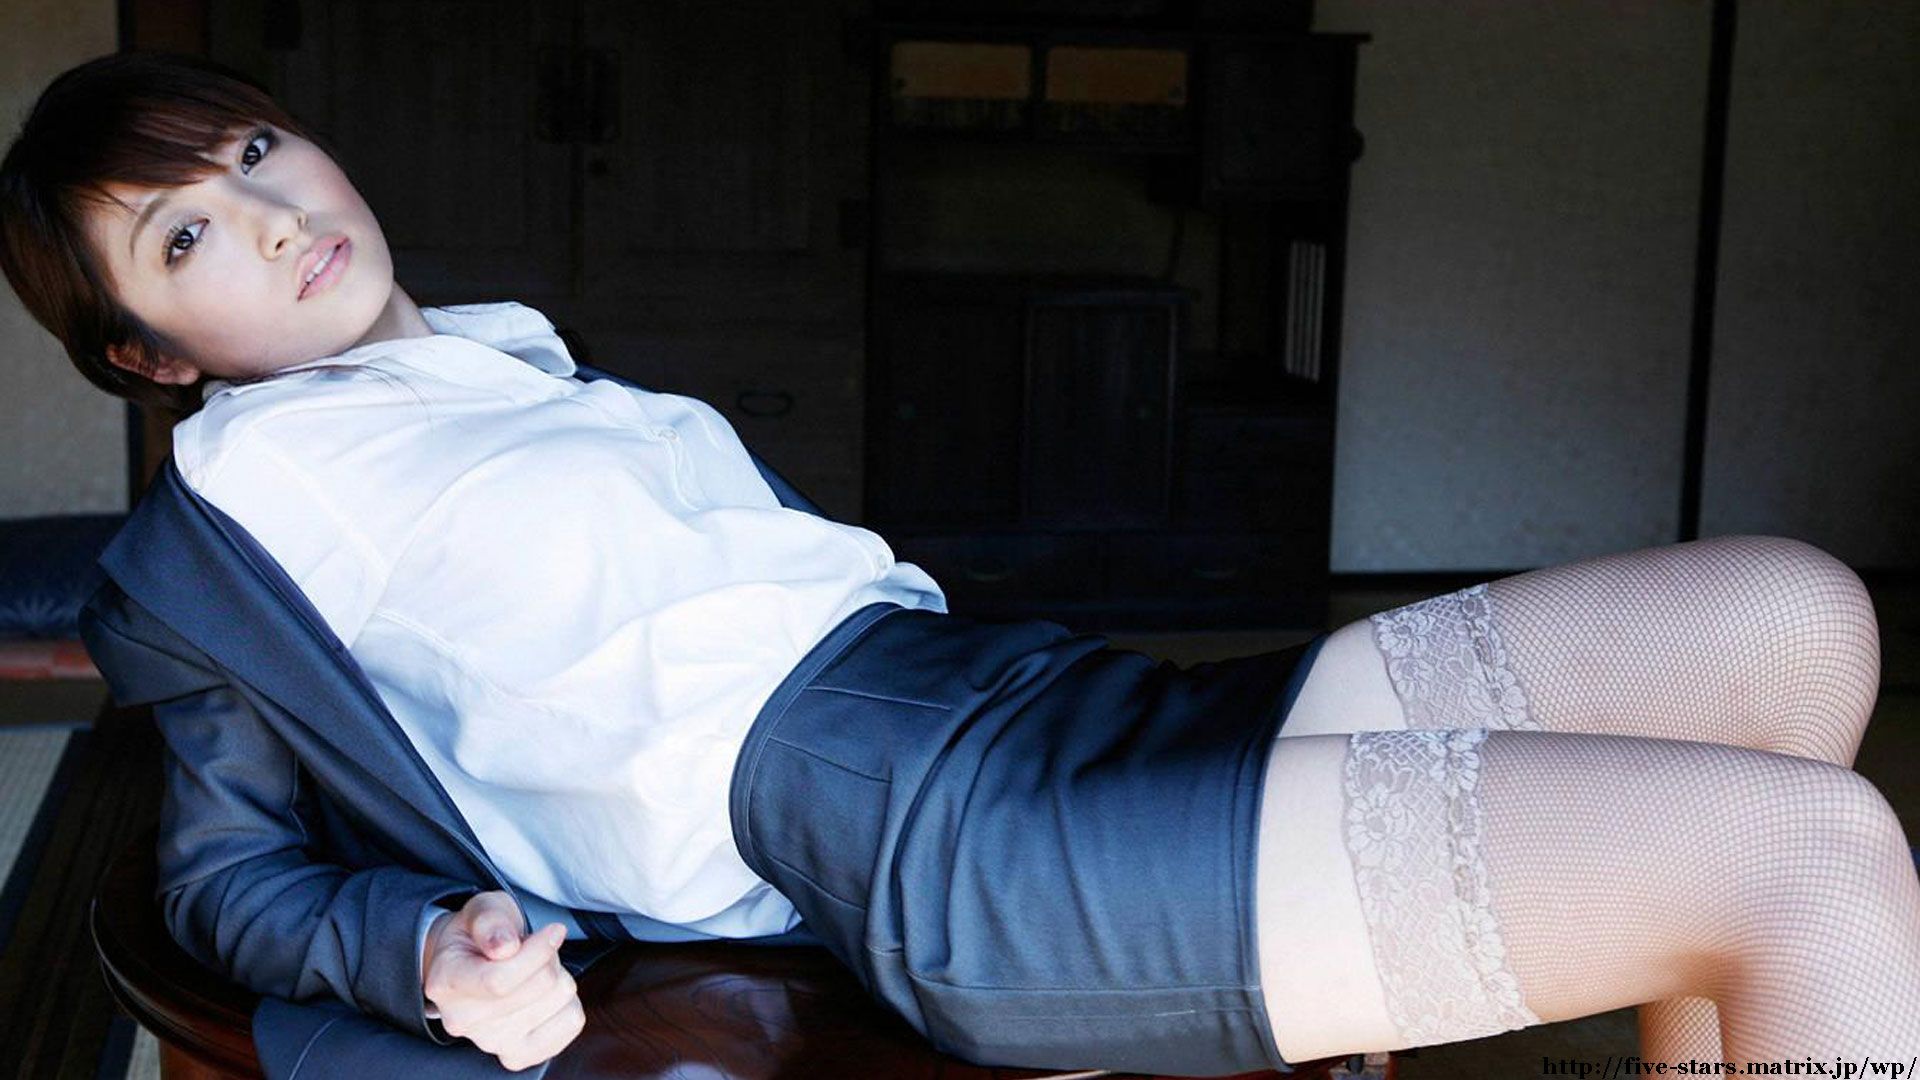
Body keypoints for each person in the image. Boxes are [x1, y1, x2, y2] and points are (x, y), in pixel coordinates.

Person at [3, 50, 1916, 1077]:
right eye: (182, 239)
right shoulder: (224, 527)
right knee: (1808, 867)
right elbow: (227, 875)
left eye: (252, 152)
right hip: (929, 839)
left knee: (1790, 629)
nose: (268, 214)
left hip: (1031, 694)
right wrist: (422, 951)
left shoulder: (499, 357)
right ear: (146, 359)